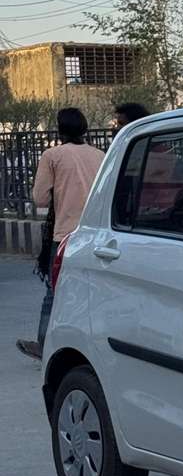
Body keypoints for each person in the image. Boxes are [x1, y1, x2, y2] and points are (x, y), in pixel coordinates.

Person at [16, 108, 105, 361]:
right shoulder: (100, 155)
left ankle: (44, 345)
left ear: (60, 129)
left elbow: (40, 198)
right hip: (97, 232)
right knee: (94, 292)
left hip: (66, 233)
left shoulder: (52, 155)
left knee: (54, 291)